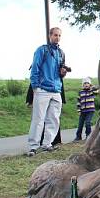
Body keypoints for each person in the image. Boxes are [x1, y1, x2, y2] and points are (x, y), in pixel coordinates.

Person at [28, 27, 65, 156]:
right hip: (42, 89)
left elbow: (60, 72)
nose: (57, 37)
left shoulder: (61, 53)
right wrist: (36, 87)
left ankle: (47, 144)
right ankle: (33, 146)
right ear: (50, 36)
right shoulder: (42, 50)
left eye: (59, 35)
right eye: (55, 35)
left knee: (54, 119)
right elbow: (35, 69)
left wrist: (63, 72)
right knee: (38, 119)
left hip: (56, 90)